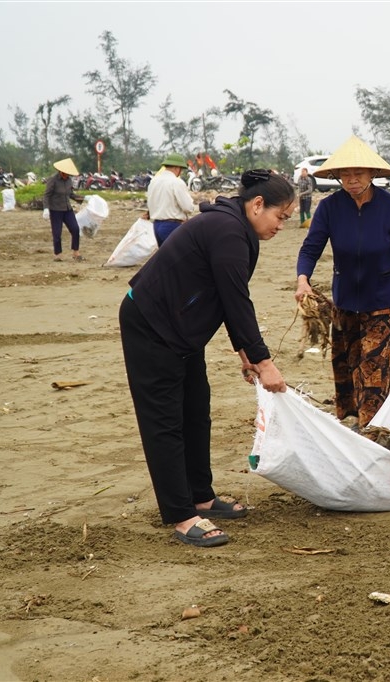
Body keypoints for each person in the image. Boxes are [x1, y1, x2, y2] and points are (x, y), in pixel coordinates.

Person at [119, 169, 293, 548]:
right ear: (258, 204)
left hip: (182, 330)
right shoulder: (227, 230)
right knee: (165, 421)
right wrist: (264, 362)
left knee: (196, 411)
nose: (281, 226)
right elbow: (237, 302)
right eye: (281, 216)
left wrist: (247, 354)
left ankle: (201, 495)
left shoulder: (241, 232)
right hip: (151, 323)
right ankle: (182, 515)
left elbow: (228, 300)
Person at [296, 135, 390, 429]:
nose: (352, 180)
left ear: (372, 175)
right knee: (346, 364)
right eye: (345, 174)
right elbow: (311, 248)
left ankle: (371, 428)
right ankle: (349, 418)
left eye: (358, 174)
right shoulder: (329, 208)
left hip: (384, 299)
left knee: (374, 367)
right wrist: (302, 280)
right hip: (344, 300)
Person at [146, 152, 196, 246]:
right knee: (180, 256)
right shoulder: (176, 182)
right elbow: (188, 207)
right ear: (176, 168)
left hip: (156, 225)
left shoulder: (153, 182)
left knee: (166, 257)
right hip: (172, 225)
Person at [43, 158, 84, 261]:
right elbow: (46, 195)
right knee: (57, 233)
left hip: (67, 209)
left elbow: (70, 194)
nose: (68, 175)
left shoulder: (69, 180)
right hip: (55, 210)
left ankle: (76, 252)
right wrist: (46, 209)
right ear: (61, 171)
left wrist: (83, 198)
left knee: (75, 229)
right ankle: (58, 254)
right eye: (66, 173)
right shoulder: (53, 180)